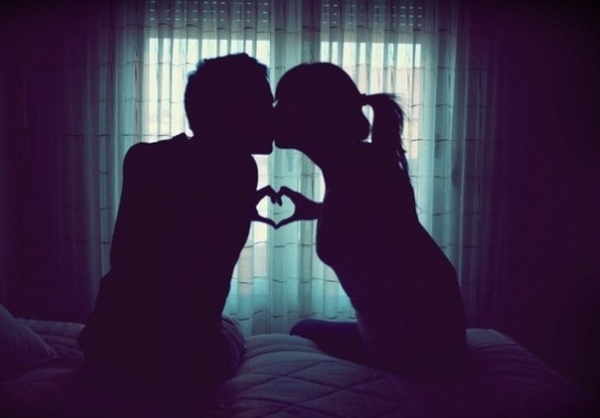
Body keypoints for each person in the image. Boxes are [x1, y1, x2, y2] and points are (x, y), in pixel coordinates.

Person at [77, 53, 277, 413]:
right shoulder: (239, 170)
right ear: (233, 113)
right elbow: (195, 281)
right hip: (177, 359)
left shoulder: (144, 159)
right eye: (265, 105)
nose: (273, 116)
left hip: (108, 341)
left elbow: (144, 256)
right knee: (233, 336)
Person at [274, 62, 467, 376]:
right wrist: (316, 209)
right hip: (423, 337)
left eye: (281, 103)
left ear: (310, 115)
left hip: (419, 348)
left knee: (302, 330)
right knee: (303, 329)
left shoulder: (361, 170)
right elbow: (377, 226)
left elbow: (387, 244)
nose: (274, 112)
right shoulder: (358, 164)